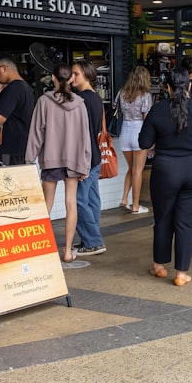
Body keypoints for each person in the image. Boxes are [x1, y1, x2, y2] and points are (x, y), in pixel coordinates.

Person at [139, 69, 192, 286]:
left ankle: (159, 265)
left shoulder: (157, 110)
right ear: (189, 87)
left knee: (163, 217)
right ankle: (181, 273)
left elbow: (144, 143)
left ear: (167, 87)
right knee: (187, 222)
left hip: (166, 169)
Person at [25, 63, 92, 263]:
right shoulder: (80, 103)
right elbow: (85, 136)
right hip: (73, 161)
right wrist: (85, 163)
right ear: (71, 79)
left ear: (53, 78)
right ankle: (68, 250)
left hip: (51, 159)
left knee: (46, 203)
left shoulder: (44, 102)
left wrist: (29, 160)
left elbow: (36, 133)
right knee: (71, 204)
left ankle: (41, 248)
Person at [69, 59, 106, 256]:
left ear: (87, 75)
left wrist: (80, 163)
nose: (72, 77)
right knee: (91, 200)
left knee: (78, 200)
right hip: (94, 155)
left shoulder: (80, 100)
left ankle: (93, 241)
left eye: (76, 74)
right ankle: (91, 238)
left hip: (85, 156)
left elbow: (80, 134)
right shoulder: (95, 98)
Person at [115, 66, 153, 214]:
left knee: (131, 169)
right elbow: (146, 119)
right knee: (138, 170)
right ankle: (136, 205)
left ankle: (124, 198)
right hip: (139, 132)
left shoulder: (122, 93)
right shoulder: (145, 95)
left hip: (125, 132)